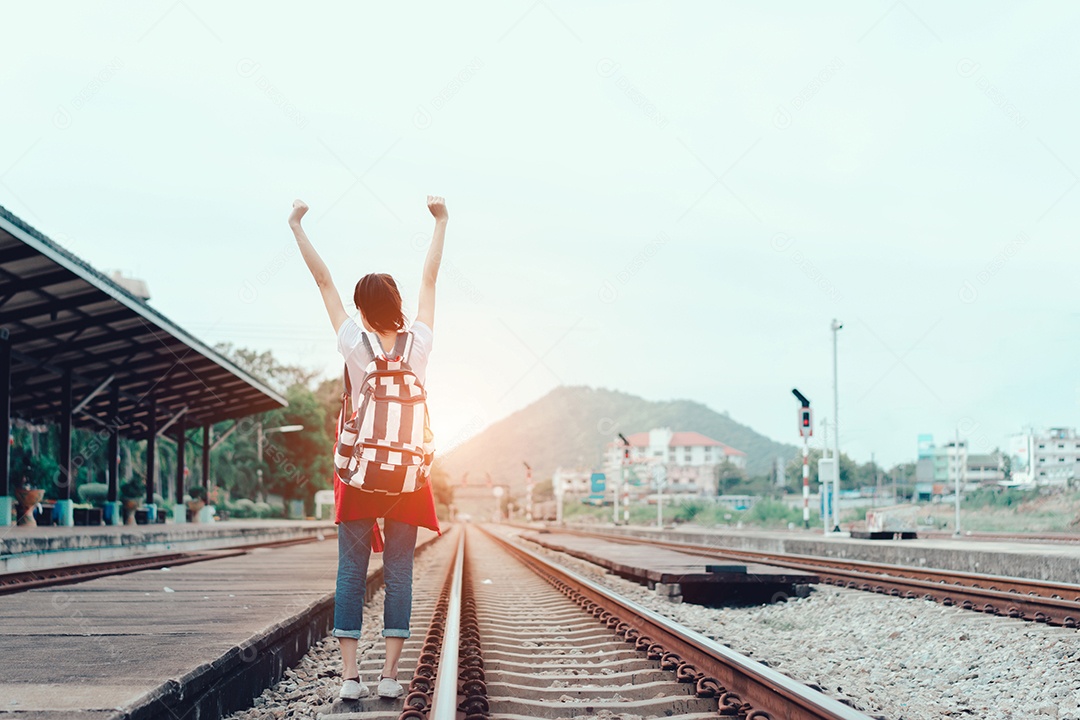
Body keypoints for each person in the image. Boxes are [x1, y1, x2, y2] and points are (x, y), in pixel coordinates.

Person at [288, 195, 448, 701]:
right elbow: (431, 279)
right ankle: (390, 676)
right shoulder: (418, 346)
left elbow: (322, 281)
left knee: (351, 570)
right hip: (406, 478)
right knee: (399, 570)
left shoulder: (354, 346)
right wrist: (441, 220)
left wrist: (296, 225)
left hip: (358, 475)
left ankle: (351, 679)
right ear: (398, 306)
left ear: (360, 309)